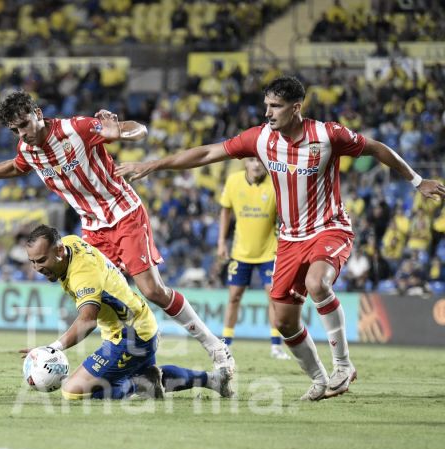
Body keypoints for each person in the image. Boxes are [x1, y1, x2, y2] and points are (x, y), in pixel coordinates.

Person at [117, 76, 445, 401]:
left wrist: (417, 181)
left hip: (329, 227)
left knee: (318, 283)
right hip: (289, 239)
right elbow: (207, 154)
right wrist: (153, 165)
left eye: (276, 106)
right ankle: (320, 379)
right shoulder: (261, 139)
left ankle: (343, 365)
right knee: (283, 321)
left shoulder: (328, 134)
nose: (268, 113)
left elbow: (377, 148)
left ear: (296, 107)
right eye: (266, 106)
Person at [0, 90, 234, 377]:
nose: (22, 134)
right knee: (98, 299)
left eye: (24, 124)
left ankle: (215, 347)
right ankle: (134, 362)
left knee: (152, 290)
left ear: (37, 114)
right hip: (93, 227)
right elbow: (16, 166)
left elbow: (139, 129)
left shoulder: (76, 128)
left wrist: (121, 132)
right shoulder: (28, 151)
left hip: (123, 212)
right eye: (14, 130)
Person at [21, 224, 232, 400]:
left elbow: (87, 321)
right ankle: (213, 380)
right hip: (139, 323)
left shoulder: (83, 274)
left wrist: (52, 349)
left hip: (129, 335)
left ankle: (139, 384)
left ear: (58, 252)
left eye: (41, 260)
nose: (37, 268)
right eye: (33, 261)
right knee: (146, 373)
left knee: (73, 392)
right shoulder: (68, 243)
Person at [217, 157, 290, 360]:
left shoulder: (276, 184)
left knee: (273, 297)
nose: (257, 165)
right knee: (234, 297)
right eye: (251, 160)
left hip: (270, 251)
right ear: (245, 164)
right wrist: (221, 242)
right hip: (240, 252)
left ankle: (276, 345)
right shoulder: (233, 181)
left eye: (260, 161)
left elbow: (286, 216)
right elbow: (225, 211)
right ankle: (226, 344)